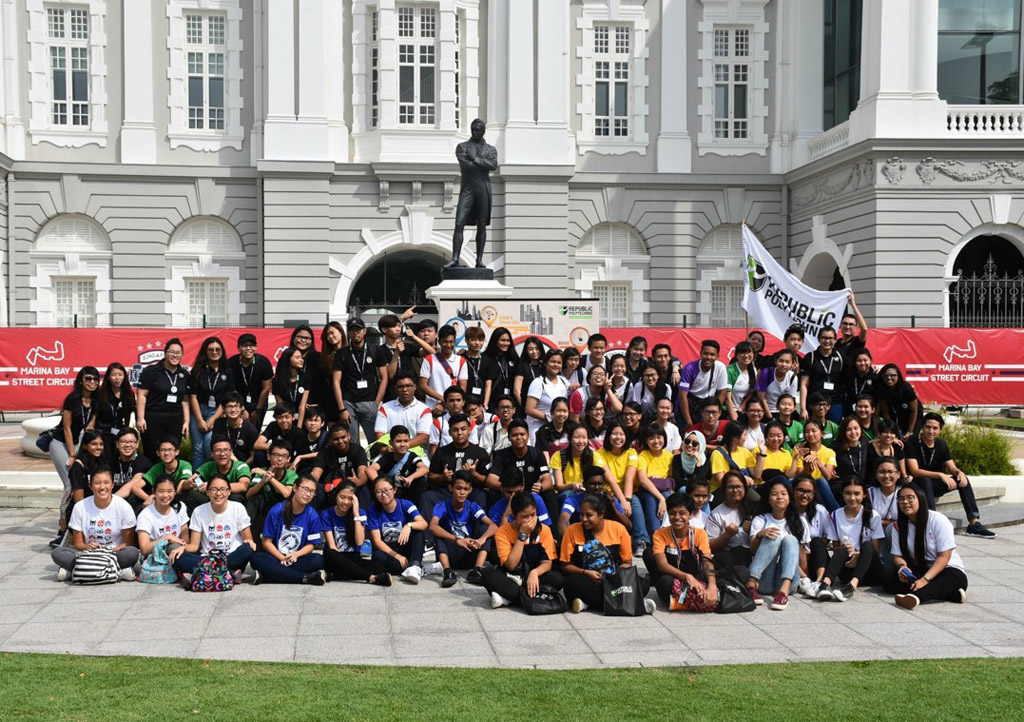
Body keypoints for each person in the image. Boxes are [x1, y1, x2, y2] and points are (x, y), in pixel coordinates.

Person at [560, 493, 654, 614]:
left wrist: (615, 576)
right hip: (589, 581)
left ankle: (589, 604)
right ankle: (634, 602)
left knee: (643, 584)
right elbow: (565, 566)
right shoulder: (572, 530)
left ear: (601, 514)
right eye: (581, 514)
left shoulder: (618, 529)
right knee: (570, 583)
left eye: (589, 515)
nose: (583, 519)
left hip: (615, 581)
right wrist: (585, 572)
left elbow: (626, 562)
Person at [905, 413, 994, 538]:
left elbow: (952, 467)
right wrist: (940, 474)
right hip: (917, 483)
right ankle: (932, 522)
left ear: (940, 430)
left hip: (935, 484)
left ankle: (974, 523)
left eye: (935, 428)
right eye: (928, 427)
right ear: (922, 428)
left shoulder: (941, 445)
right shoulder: (912, 443)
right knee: (925, 480)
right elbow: (914, 471)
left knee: (962, 480)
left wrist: (959, 473)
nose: (931, 431)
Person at [883, 482, 969, 609]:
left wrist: (925, 580)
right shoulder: (898, 526)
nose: (905, 502)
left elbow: (944, 557)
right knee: (887, 577)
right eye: (901, 499)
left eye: (910, 498)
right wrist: (902, 568)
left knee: (956, 578)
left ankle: (916, 597)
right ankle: (949, 594)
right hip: (918, 569)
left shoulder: (938, 520)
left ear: (920, 498)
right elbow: (897, 556)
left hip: (944, 569)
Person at [50, 466, 139, 581]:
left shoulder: (123, 506)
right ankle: (116, 571)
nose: (102, 487)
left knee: (132, 553)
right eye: (97, 483)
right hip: (88, 554)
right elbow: (77, 543)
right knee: (57, 552)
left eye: (106, 483)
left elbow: (128, 543)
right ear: (90, 485)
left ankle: (76, 570)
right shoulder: (80, 507)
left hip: (114, 553)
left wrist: (108, 550)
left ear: (112, 485)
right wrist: (88, 547)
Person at [482, 491, 564, 609]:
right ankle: (532, 596)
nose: (530, 520)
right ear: (514, 515)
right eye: (525, 517)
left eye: (533, 515)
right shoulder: (502, 532)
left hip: (536, 576)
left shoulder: (544, 530)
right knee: (488, 576)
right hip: (512, 577)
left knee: (557, 578)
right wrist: (522, 535)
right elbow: (511, 565)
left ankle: (509, 598)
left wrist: (534, 573)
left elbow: (547, 563)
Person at [172, 474, 256, 584]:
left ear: (229, 491)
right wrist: (183, 548)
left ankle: (204, 573)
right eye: (213, 489)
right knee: (178, 559)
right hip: (208, 557)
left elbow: (248, 538)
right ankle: (228, 574)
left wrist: (249, 542)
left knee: (247, 549)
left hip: (232, 557)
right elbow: (194, 545)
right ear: (207, 492)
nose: (218, 493)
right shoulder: (199, 511)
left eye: (223, 490)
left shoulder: (238, 508)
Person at [642, 492, 717, 609]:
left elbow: (707, 561)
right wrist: (687, 577)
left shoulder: (699, 533)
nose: (677, 517)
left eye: (682, 513)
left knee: (723, 577)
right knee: (663, 581)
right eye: (672, 513)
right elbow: (662, 565)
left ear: (690, 515)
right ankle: (693, 601)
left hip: (696, 576)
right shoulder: (660, 534)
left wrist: (712, 586)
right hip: (673, 577)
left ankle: (683, 602)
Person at [816, 477, 885, 602]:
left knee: (867, 545)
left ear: (864, 494)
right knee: (841, 550)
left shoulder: (873, 516)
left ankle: (851, 586)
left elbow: (875, 549)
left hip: (870, 569)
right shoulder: (836, 515)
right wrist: (846, 551)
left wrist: (858, 555)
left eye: (857, 493)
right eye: (848, 493)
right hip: (847, 568)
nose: (852, 498)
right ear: (842, 494)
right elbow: (836, 549)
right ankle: (825, 584)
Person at [250, 477, 325, 585]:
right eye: (305, 489)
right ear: (294, 488)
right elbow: (266, 542)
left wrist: (296, 554)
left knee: (318, 560)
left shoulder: (312, 515)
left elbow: (311, 545)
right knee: (256, 558)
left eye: (312, 492)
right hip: (275, 557)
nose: (308, 494)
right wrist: (281, 557)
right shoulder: (277, 510)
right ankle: (305, 578)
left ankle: (270, 575)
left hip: (297, 558)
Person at [366, 475, 440, 584]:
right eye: (378, 492)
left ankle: (414, 566)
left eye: (386, 490)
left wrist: (408, 526)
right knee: (377, 557)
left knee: (418, 531)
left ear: (394, 490)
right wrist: (397, 556)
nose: (383, 494)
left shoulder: (405, 504)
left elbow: (423, 523)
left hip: (405, 546)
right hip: (389, 551)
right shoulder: (373, 510)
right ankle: (420, 568)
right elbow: (377, 541)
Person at [747, 479, 807, 609]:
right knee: (773, 537)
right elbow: (752, 549)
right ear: (768, 499)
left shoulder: (799, 521)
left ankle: (782, 593)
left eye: (783, 494)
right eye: (774, 494)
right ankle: (751, 584)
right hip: (764, 579)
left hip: (788, 579)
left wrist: (805, 576)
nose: (779, 497)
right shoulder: (760, 519)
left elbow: (803, 561)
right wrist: (760, 535)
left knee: (790, 539)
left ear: (789, 498)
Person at [428, 473, 496, 587]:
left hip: (468, 551)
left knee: (486, 529)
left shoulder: (472, 506)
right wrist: (456, 539)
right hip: (450, 553)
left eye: (466, 489)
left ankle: (477, 570)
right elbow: (432, 526)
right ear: (451, 488)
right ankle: (447, 571)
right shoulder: (442, 505)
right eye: (458, 488)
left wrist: (481, 540)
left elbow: (493, 525)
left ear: (470, 490)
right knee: (438, 532)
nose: (462, 492)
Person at [320, 481, 392, 586]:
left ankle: (334, 575)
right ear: (336, 496)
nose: (345, 502)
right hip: (335, 557)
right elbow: (332, 546)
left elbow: (359, 543)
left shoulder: (361, 513)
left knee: (380, 567)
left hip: (353, 556)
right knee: (330, 553)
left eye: (350, 499)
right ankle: (371, 578)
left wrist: (356, 514)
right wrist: (344, 563)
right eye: (342, 497)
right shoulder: (327, 514)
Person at [334, 318, 389, 443]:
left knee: (375, 441)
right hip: (349, 403)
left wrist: (376, 402)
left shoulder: (375, 350)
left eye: (358, 330)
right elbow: (336, 381)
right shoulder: (341, 353)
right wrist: (342, 408)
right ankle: (357, 463)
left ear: (364, 331)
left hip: (370, 402)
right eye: (352, 330)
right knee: (351, 442)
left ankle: (375, 463)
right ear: (348, 333)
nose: (355, 333)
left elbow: (384, 377)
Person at [136, 338, 190, 455]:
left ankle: (169, 474)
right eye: (172, 352)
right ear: (165, 353)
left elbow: (185, 401)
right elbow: (141, 395)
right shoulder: (151, 371)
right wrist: (140, 418)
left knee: (171, 452)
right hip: (153, 418)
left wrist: (186, 422)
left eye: (178, 353)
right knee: (153, 451)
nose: (175, 355)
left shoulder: (184, 374)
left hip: (175, 420)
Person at [425, 414, 489, 511]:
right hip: (447, 491)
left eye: (463, 429)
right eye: (455, 430)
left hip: (471, 491)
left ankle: (481, 526)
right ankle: (427, 526)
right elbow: (430, 476)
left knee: (481, 496)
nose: (459, 433)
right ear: (449, 432)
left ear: (470, 430)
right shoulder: (441, 451)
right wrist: (442, 477)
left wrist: (473, 474)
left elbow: (487, 480)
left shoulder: (480, 452)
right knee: (427, 496)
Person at [485, 418, 555, 505]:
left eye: (522, 434)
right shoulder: (501, 455)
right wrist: (509, 489)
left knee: (549, 494)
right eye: (514, 435)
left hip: (531, 494)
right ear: (509, 438)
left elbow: (548, 479)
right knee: (493, 494)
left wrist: (541, 486)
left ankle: (552, 519)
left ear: (528, 436)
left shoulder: (537, 454)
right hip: (510, 494)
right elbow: (491, 480)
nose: (519, 438)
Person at [188, 336, 233, 469]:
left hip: (217, 412)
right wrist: (200, 420)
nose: (214, 352)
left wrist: (213, 418)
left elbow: (227, 398)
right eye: (211, 349)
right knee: (197, 448)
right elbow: (192, 397)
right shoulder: (197, 371)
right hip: (198, 411)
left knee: (209, 445)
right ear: (205, 352)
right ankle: (196, 481)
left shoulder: (227, 371)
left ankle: (211, 478)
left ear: (222, 351)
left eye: (218, 349)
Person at [180, 436, 251, 513]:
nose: (222, 453)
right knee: (192, 495)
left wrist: (213, 487)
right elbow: (187, 483)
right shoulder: (208, 466)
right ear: (212, 454)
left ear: (231, 452)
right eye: (218, 450)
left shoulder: (241, 466)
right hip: (212, 502)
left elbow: (244, 486)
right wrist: (189, 483)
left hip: (231, 504)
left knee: (236, 497)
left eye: (225, 450)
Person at [600, 422, 643, 548]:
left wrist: (627, 499)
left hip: (627, 491)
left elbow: (629, 478)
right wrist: (623, 500)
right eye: (614, 434)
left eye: (621, 434)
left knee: (634, 500)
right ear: (608, 436)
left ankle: (640, 540)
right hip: (608, 491)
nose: (618, 437)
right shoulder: (599, 453)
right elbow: (611, 480)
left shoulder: (631, 452)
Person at [557, 465, 630, 538]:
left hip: (607, 540)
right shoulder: (573, 500)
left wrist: (613, 507)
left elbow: (628, 526)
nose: (597, 488)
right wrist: (571, 542)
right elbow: (562, 522)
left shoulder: (610, 499)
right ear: (584, 484)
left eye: (600, 484)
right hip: (581, 539)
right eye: (593, 484)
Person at [246, 439, 298, 539]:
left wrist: (270, 478)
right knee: (254, 500)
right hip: (265, 508)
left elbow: (287, 493)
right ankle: (248, 534)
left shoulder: (291, 475)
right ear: (268, 456)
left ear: (288, 459)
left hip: (282, 509)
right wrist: (263, 481)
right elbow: (248, 494)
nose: (279, 459)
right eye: (276, 455)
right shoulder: (261, 472)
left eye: (284, 456)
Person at [310, 424, 369, 510]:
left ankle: (364, 518)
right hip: (331, 488)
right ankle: (315, 518)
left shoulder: (358, 450)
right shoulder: (324, 453)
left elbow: (363, 474)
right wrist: (309, 483)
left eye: (343, 437)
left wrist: (358, 481)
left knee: (364, 488)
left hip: (352, 486)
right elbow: (316, 473)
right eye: (336, 439)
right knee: (317, 487)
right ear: (330, 440)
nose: (340, 441)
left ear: (349, 436)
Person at [135, 473, 190, 565]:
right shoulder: (145, 514)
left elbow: (185, 537)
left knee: (176, 548)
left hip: (177, 551)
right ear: (154, 492)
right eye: (161, 491)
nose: (165, 495)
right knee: (173, 547)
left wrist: (182, 546)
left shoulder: (180, 507)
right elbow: (144, 549)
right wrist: (166, 538)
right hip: (153, 556)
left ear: (175, 492)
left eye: (169, 491)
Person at [791, 474, 832, 598]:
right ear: (793, 491)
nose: (804, 495)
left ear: (814, 494)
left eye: (809, 492)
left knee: (817, 541)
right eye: (800, 490)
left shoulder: (820, 510)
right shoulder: (786, 512)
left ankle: (819, 582)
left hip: (816, 560)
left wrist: (810, 552)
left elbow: (827, 536)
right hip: (796, 562)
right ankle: (804, 578)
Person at [367, 425, 428, 506]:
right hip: (390, 493)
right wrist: (382, 484)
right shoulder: (387, 457)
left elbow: (424, 468)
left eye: (406, 441)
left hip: (407, 493)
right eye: (398, 441)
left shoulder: (411, 456)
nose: (402, 444)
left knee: (420, 480)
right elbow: (370, 469)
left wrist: (411, 477)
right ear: (391, 443)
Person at [707, 471, 757, 567]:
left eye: (738, 486)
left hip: (753, 555)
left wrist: (753, 531)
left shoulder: (754, 509)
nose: (735, 490)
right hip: (730, 557)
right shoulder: (716, 514)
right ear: (724, 490)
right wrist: (727, 535)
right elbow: (710, 547)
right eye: (730, 487)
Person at [635, 423, 676, 539]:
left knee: (668, 496)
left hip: (664, 491)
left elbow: (671, 480)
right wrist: (661, 498)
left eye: (659, 437)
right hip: (646, 492)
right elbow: (643, 480)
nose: (656, 441)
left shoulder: (669, 457)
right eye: (651, 438)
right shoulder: (643, 456)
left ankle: (669, 533)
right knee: (650, 498)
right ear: (646, 441)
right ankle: (656, 535)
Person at [374, 370, 432, 450]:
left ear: (415, 387)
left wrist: (401, 447)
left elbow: (423, 437)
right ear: (395, 388)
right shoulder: (385, 408)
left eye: (408, 386)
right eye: (400, 387)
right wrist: (389, 448)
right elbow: (380, 433)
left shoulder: (424, 409)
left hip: (416, 451)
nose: (405, 390)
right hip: (390, 451)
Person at [678, 340, 729, 428]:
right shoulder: (690, 368)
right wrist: (689, 422)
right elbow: (683, 396)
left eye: (712, 354)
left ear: (717, 356)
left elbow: (723, 392)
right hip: (690, 404)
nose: (708, 357)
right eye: (705, 353)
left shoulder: (721, 368)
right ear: (701, 353)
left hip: (709, 404)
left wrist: (714, 412)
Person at [227, 333, 274, 429]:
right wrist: (242, 409)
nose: (248, 348)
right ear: (238, 348)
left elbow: (266, 388)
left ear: (256, 347)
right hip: (238, 402)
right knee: (238, 429)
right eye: (244, 346)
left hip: (259, 402)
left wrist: (257, 411)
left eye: (251, 345)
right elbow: (232, 388)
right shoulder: (231, 363)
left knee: (254, 431)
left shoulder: (263, 362)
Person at [799, 326, 845, 423]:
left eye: (830, 338)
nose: (827, 341)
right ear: (819, 339)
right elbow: (804, 385)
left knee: (834, 431)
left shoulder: (840, 356)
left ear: (835, 340)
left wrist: (873, 366)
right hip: (815, 402)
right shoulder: (810, 357)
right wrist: (803, 408)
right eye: (824, 338)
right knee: (813, 431)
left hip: (834, 402)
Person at [709, 421, 766, 497]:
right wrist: (741, 479)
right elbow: (721, 481)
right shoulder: (718, 454)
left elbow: (756, 475)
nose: (746, 438)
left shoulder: (745, 452)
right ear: (735, 438)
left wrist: (763, 453)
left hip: (740, 489)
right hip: (721, 491)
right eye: (744, 435)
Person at [793, 420, 840, 511]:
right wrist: (808, 465)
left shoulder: (829, 452)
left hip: (822, 488)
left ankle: (835, 512)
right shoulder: (800, 451)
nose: (810, 434)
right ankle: (836, 512)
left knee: (821, 481)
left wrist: (818, 462)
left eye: (814, 431)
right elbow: (801, 477)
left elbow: (828, 476)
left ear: (822, 433)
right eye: (807, 432)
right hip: (806, 488)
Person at [524, 349, 570, 444]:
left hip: (557, 428)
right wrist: (551, 418)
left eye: (559, 363)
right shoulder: (538, 382)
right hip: (537, 428)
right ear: (545, 363)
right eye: (553, 361)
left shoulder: (563, 381)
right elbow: (529, 409)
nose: (556, 365)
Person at [420, 324, 469, 412]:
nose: (448, 345)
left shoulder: (461, 361)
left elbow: (462, 388)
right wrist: (443, 399)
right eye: (445, 342)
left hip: (454, 409)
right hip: (433, 407)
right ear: (439, 342)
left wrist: (445, 403)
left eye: (451, 342)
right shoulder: (430, 359)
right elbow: (423, 385)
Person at [133, 436, 193, 508]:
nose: (166, 453)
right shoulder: (156, 468)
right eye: (163, 450)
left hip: (179, 499)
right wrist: (150, 498)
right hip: (161, 499)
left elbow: (180, 487)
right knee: (133, 499)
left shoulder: (185, 465)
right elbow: (135, 487)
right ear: (158, 453)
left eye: (170, 449)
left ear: (177, 452)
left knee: (193, 495)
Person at [551, 424, 607, 496]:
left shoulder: (594, 456)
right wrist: (572, 485)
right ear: (569, 439)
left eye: (584, 438)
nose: (581, 441)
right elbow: (559, 486)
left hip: (588, 492)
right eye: (577, 437)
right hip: (568, 493)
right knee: (569, 494)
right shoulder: (558, 455)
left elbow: (598, 480)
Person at [487, 467, 553, 528]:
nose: (513, 496)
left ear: (523, 487)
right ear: (502, 488)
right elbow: (500, 537)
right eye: (509, 492)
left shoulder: (536, 500)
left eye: (517, 492)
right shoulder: (495, 510)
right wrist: (506, 515)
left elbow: (546, 527)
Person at [94, 362, 136, 456]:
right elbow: (95, 414)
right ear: (108, 377)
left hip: (120, 433)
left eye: (120, 375)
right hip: (103, 433)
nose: (117, 378)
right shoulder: (100, 393)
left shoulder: (129, 394)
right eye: (114, 375)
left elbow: (131, 412)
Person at [107, 428, 151, 514]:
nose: (127, 445)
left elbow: (132, 485)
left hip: (136, 505)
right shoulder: (111, 462)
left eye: (131, 442)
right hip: (114, 504)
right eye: (123, 442)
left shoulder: (143, 462)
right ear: (117, 444)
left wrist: (109, 502)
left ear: (137, 444)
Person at [427, 385, 481, 455]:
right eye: (451, 400)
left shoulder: (471, 423)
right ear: (445, 403)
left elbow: (474, 448)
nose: (455, 403)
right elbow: (433, 448)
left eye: (458, 400)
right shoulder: (438, 422)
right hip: (444, 461)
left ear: (463, 402)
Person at [210, 392, 260, 465]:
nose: (233, 410)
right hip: (223, 461)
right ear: (223, 409)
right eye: (229, 406)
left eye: (236, 406)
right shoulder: (219, 423)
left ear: (241, 408)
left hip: (245, 464)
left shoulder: (250, 429)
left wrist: (240, 467)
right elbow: (215, 447)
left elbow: (253, 456)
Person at [869, 456, 901, 569]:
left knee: (892, 529)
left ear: (898, 474)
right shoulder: (869, 493)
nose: (886, 476)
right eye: (882, 472)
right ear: (876, 474)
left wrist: (881, 522)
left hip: (898, 537)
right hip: (873, 536)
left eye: (890, 472)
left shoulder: (905, 493)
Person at [253, 402, 303, 468]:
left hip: (288, 462)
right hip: (274, 459)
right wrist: (276, 449)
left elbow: (298, 457)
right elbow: (257, 444)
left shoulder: (298, 433)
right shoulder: (273, 426)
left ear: (293, 417)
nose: (283, 420)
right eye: (280, 417)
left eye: (287, 417)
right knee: (259, 454)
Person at [876, 363, 920, 439]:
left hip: (912, 417)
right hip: (894, 415)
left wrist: (910, 431)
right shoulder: (881, 389)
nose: (889, 378)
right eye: (885, 375)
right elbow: (885, 413)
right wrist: (891, 430)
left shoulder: (906, 388)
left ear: (898, 376)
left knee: (910, 439)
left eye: (893, 375)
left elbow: (913, 411)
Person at [316, 321, 347, 425]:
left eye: (332, 332)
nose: (330, 336)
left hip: (349, 400)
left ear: (341, 332)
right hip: (330, 403)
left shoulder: (350, 352)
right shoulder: (325, 357)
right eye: (327, 335)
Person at [482, 326, 519, 411]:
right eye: (502, 340)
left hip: (510, 403)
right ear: (495, 341)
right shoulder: (486, 358)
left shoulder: (514, 358)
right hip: (492, 404)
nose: (506, 343)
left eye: (508, 340)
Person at [273, 346, 311, 427]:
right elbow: (281, 405)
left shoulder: (305, 377)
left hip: (302, 420)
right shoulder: (277, 381)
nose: (301, 360)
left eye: (301, 357)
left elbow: (302, 406)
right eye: (297, 358)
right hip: (285, 421)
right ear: (288, 359)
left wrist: (298, 427)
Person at [68, 430, 107, 506]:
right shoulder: (78, 467)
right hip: (82, 509)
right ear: (84, 446)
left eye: (101, 444)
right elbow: (79, 501)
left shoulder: (101, 464)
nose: (99, 447)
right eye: (94, 444)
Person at [756, 349, 800, 416]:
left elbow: (791, 399)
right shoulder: (766, 372)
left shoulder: (793, 377)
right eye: (781, 361)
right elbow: (761, 397)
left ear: (792, 364)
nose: (783, 364)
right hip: (765, 411)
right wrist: (770, 417)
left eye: (787, 362)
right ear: (776, 361)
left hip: (783, 412)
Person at [757, 421, 799, 486]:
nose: (776, 439)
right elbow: (757, 475)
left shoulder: (786, 453)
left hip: (781, 487)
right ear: (766, 437)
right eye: (771, 436)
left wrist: (795, 459)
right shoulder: (758, 450)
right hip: (763, 485)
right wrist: (762, 454)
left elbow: (790, 475)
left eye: (779, 436)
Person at [726, 341, 759, 420]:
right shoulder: (730, 370)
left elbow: (751, 393)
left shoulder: (754, 370)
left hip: (744, 412)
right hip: (729, 413)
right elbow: (727, 398)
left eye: (749, 352)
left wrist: (740, 410)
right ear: (736, 355)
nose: (746, 356)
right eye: (742, 353)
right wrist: (734, 416)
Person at [834, 416, 869, 488]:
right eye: (848, 430)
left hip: (861, 487)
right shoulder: (836, 447)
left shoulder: (864, 442)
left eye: (856, 428)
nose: (853, 432)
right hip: (842, 487)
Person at [512, 337, 545, 414]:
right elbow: (516, 391)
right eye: (530, 349)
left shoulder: (544, 366)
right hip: (526, 409)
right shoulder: (522, 366)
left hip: (542, 408)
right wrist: (524, 407)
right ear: (526, 351)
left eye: (537, 348)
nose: (534, 352)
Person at [292, 406, 327, 477]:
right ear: (305, 423)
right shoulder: (300, 438)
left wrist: (301, 457)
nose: (313, 423)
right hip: (304, 473)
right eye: (310, 420)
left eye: (316, 420)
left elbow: (325, 453)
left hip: (323, 473)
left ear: (322, 423)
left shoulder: (327, 436)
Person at [835, 292, 869, 362]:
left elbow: (864, 329)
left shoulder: (857, 341)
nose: (847, 326)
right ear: (840, 326)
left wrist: (853, 304)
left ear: (856, 328)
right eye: (845, 323)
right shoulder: (836, 343)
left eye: (851, 324)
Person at [844, 349, 879, 416]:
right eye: (859, 361)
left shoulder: (876, 377)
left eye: (865, 360)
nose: (862, 363)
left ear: (870, 361)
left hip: (869, 413)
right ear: (855, 362)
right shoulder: (849, 375)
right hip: (851, 412)